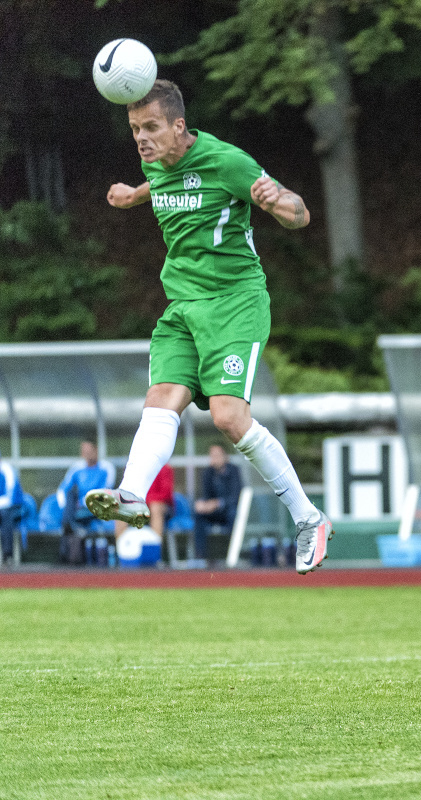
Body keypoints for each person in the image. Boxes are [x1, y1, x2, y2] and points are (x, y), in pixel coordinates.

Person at [84, 79, 333, 574]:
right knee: (161, 398)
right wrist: (135, 195)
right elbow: (169, 183)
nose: (142, 138)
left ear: (180, 126)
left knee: (228, 417)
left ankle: (310, 519)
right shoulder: (155, 162)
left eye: (152, 127)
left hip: (234, 303)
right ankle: (131, 495)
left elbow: (300, 214)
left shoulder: (227, 162)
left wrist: (275, 201)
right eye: (135, 129)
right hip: (183, 305)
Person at [193, 444, 243, 560]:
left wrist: (218, 503)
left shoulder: (234, 471)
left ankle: (234, 554)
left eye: (217, 455)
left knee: (233, 514)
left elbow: (236, 497)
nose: (214, 458)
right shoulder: (208, 472)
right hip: (214, 512)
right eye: (212, 456)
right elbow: (205, 494)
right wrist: (202, 504)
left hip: (229, 510)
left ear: (225, 456)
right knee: (198, 515)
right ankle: (200, 556)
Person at [0, 451, 21, 565]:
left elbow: (11, 494)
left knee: (6, 520)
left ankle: (7, 555)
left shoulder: (6, 469)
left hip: (10, 506)